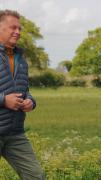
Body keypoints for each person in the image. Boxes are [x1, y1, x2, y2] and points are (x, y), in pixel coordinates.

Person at [0, 10, 44, 179]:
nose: (18, 32)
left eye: (19, 29)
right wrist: (4, 100)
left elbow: (25, 91)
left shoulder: (21, 59)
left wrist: (30, 102)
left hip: (15, 133)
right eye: (13, 27)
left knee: (36, 175)